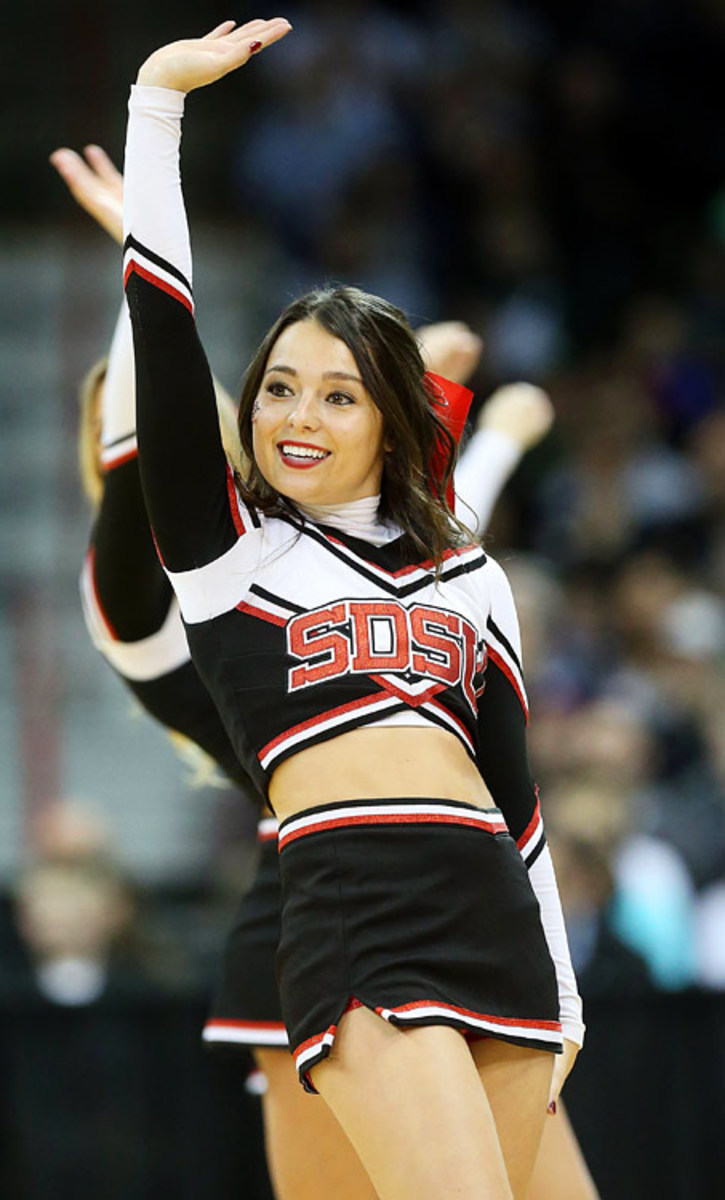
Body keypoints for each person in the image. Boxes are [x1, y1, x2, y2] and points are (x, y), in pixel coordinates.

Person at [53, 99, 591, 1200]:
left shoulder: (459, 574)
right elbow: (152, 406)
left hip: (490, 915)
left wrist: (450, 416)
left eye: (336, 394)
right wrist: (147, 180)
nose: (289, 412)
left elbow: (512, 786)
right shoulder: (185, 583)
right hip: (341, 901)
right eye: (275, 390)